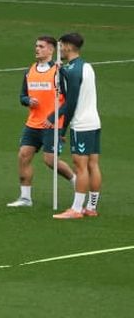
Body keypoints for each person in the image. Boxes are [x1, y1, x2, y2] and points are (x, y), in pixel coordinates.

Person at [8, 37, 76, 209]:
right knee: (23, 156)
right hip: (33, 123)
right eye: (36, 46)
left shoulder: (59, 72)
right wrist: (27, 100)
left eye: (41, 46)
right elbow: (22, 96)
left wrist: (62, 129)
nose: (37, 49)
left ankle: (77, 182)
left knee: (50, 160)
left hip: (53, 125)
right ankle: (25, 198)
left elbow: (69, 102)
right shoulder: (29, 71)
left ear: (51, 50)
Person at [55, 32, 101, 219]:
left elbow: (71, 102)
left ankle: (76, 209)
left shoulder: (72, 71)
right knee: (93, 165)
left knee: (80, 166)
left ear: (67, 46)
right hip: (94, 122)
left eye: (60, 46)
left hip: (81, 124)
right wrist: (63, 72)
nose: (59, 50)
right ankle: (91, 207)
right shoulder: (87, 66)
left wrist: (62, 129)